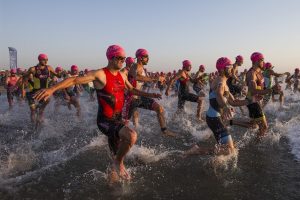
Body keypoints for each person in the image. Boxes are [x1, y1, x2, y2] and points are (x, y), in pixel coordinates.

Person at [34, 45, 162, 183]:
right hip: (106, 121)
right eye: (119, 58)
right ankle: (118, 163)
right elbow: (74, 80)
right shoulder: (100, 74)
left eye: (124, 59)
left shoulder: (122, 75)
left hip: (118, 120)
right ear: (110, 57)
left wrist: (150, 94)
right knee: (131, 136)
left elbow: (132, 90)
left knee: (115, 156)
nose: (122, 61)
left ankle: (112, 179)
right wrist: (52, 89)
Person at [184, 57, 260, 156]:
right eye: (229, 67)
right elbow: (219, 94)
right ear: (222, 69)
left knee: (228, 148)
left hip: (216, 118)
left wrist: (250, 100)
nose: (231, 69)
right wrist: (225, 107)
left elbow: (233, 102)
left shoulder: (224, 83)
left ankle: (215, 164)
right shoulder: (220, 81)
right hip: (214, 119)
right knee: (229, 150)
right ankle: (197, 150)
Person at [126, 48, 176, 136]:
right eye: (146, 57)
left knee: (159, 108)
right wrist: (155, 79)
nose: (148, 58)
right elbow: (136, 77)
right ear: (140, 57)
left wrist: (159, 80)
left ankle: (164, 130)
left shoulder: (142, 68)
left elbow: (144, 79)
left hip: (138, 97)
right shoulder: (135, 66)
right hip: (129, 99)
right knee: (123, 123)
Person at [21, 54, 60, 123]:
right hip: (34, 92)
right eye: (44, 60)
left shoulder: (49, 68)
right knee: (33, 110)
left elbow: (58, 75)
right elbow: (24, 77)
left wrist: (62, 73)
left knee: (46, 102)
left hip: (44, 92)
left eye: (47, 60)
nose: (46, 61)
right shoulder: (33, 69)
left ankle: (40, 120)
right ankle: (32, 125)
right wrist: (23, 90)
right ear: (39, 60)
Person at [245, 52, 272, 139]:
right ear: (257, 61)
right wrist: (269, 90)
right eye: (262, 60)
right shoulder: (251, 74)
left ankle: (231, 122)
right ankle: (257, 145)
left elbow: (261, 87)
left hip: (256, 101)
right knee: (264, 127)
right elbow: (252, 91)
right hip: (253, 102)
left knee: (254, 125)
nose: (263, 62)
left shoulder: (259, 71)